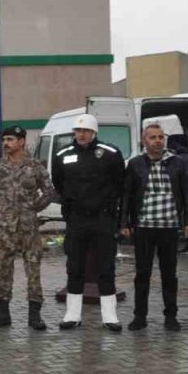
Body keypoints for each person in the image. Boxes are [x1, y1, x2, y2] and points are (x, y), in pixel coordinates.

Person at [50, 114, 126, 331]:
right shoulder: (63, 155)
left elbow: (120, 184)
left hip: (103, 218)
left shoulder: (111, 154)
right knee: (75, 266)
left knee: (106, 266)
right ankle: (72, 315)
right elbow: (59, 183)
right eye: (78, 131)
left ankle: (109, 316)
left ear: (94, 132)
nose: (81, 135)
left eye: (85, 131)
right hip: (77, 219)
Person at [122, 122, 188, 331]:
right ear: (144, 141)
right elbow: (127, 195)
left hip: (169, 226)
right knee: (142, 273)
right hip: (144, 226)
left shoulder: (178, 163)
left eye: (160, 137)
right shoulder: (135, 164)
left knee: (169, 273)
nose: (157, 141)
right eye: (152, 137)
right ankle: (140, 316)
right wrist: (124, 223)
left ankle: (171, 316)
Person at [0, 126, 54, 331]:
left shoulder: (36, 166)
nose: (6, 143)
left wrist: (34, 208)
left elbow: (49, 191)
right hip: (6, 229)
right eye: (4, 139)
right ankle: (2, 313)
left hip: (28, 228)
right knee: (3, 270)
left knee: (33, 270)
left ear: (22, 142)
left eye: (10, 139)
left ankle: (34, 316)